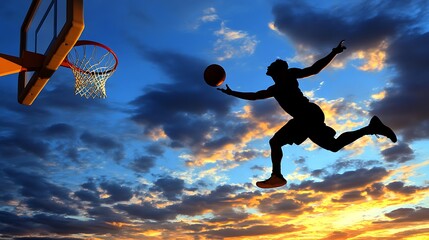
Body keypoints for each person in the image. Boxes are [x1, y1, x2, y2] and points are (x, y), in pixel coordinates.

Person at [218, 40, 397, 189]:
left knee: (275, 142)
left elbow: (314, 69)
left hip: (307, 115)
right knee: (333, 146)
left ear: (279, 69)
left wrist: (334, 52)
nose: (269, 65)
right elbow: (255, 96)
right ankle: (371, 128)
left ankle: (277, 176)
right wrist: (233, 93)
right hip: (309, 117)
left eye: (273, 64)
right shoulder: (274, 89)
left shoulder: (289, 75)